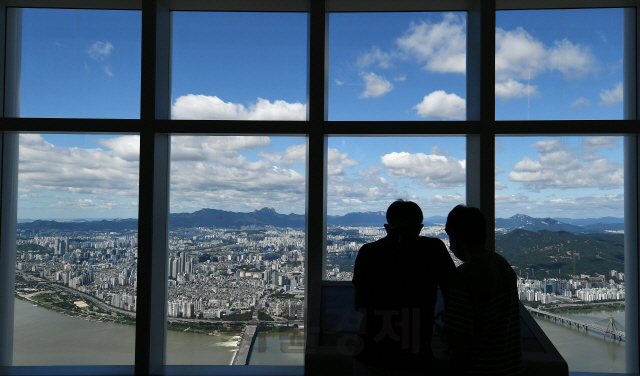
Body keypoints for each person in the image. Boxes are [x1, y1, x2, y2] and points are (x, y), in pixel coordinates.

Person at [352, 200, 455, 375]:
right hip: (416, 355)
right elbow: (453, 294)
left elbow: (359, 304)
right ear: (420, 227)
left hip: (371, 351)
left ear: (387, 227)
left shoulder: (368, 252)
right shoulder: (434, 249)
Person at [444, 205, 523, 375]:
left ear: (455, 236)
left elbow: (462, 339)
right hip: (510, 367)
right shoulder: (503, 265)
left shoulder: (464, 275)